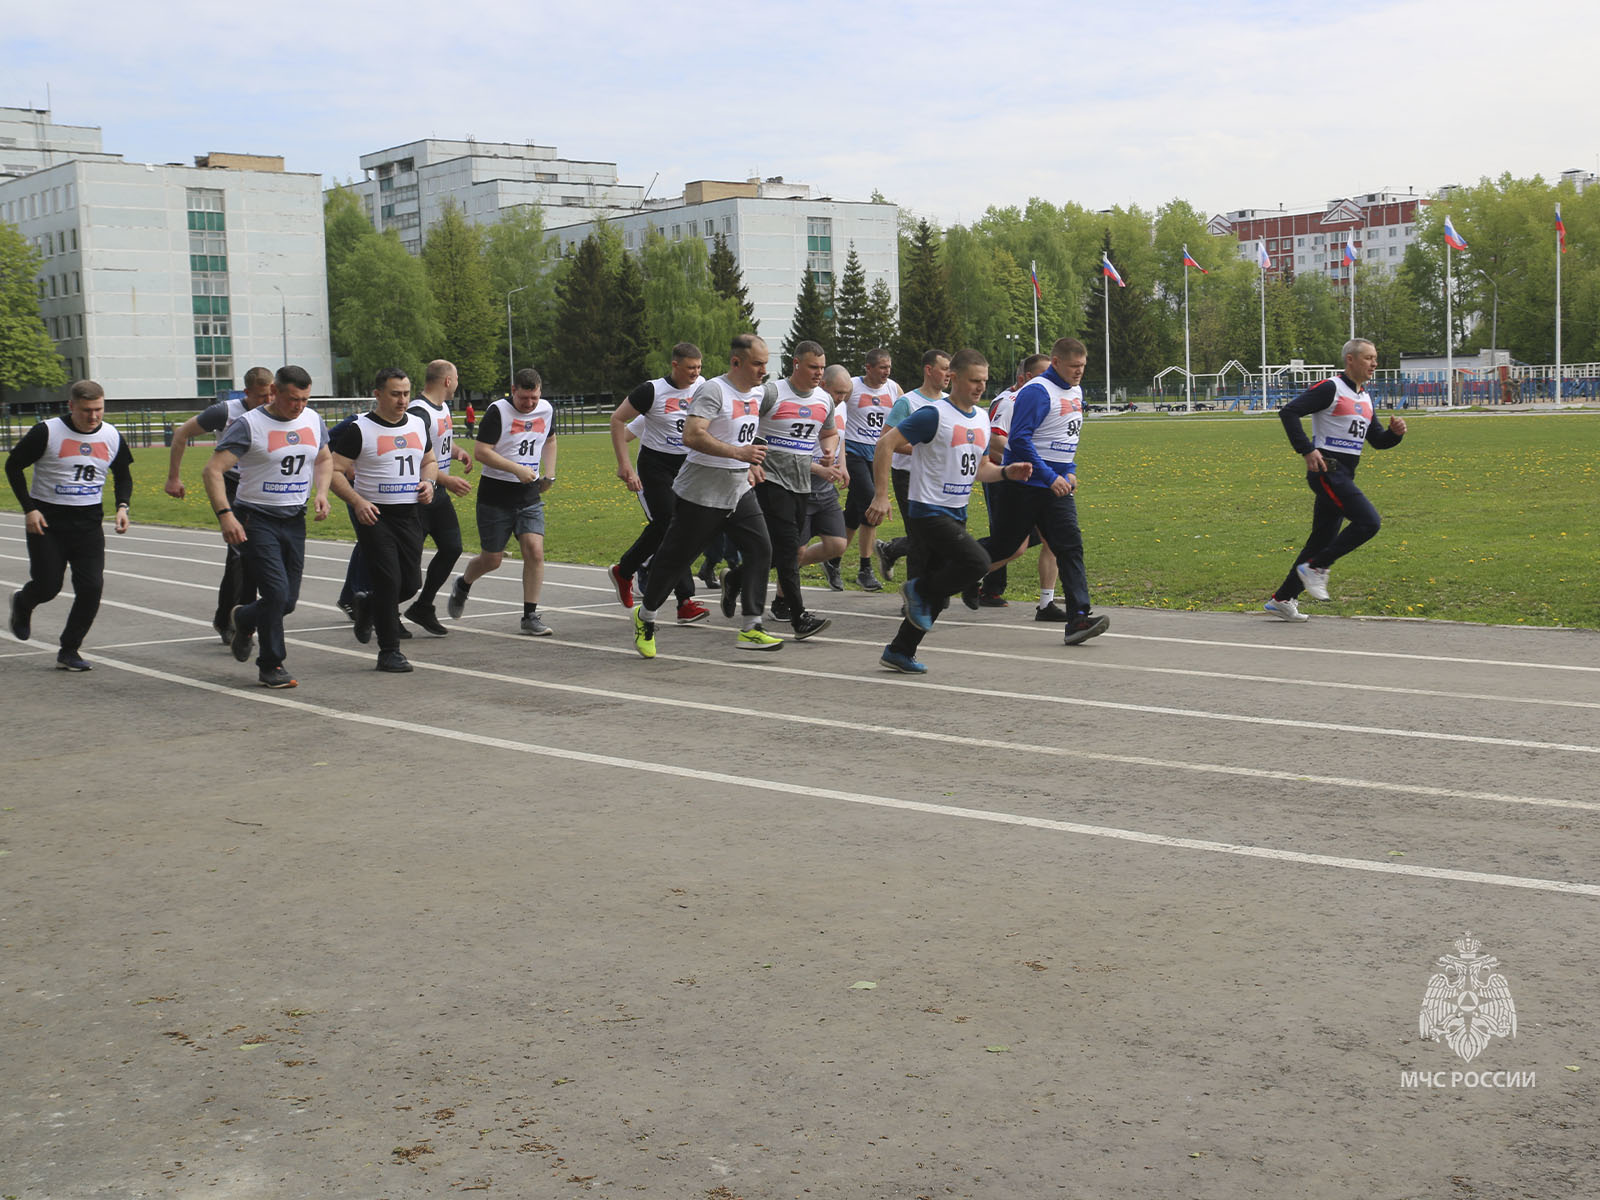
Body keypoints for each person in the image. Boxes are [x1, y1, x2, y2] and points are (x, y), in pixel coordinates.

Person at [865, 349, 1031, 674]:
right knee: (978, 563)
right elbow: (885, 444)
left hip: (956, 511)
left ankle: (900, 649)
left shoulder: (982, 418)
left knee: (938, 597)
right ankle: (917, 590)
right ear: (953, 377)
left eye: (984, 381)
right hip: (927, 511)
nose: (980, 387)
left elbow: (981, 469)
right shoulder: (933, 415)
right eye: (973, 380)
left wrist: (1007, 472)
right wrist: (881, 496)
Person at [629, 333, 782, 658]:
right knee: (675, 560)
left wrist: (749, 461)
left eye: (765, 364)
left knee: (761, 548)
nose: (762, 370)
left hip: (738, 488)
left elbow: (743, 429)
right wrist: (738, 453)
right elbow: (692, 435)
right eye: (757, 363)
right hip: (701, 491)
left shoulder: (757, 392)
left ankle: (752, 625)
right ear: (736, 362)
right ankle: (646, 616)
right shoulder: (713, 389)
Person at [203, 365, 332, 688]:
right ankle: (272, 665)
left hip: (294, 519)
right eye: (292, 399)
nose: (298, 406)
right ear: (274, 392)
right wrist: (225, 514)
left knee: (286, 601)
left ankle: (244, 618)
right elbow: (213, 470)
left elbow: (325, 458)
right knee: (275, 593)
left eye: (304, 399)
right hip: (255, 518)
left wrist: (322, 492)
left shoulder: (313, 420)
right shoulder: (249, 424)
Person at [976, 336, 1110, 646]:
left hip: (1055, 488)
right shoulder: (1036, 392)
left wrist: (1070, 471)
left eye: (1083, 366)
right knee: (1005, 546)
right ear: (1057, 363)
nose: (1079, 372)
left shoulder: (1076, 391)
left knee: (1070, 545)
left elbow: (1066, 440)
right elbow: (1019, 441)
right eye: (1074, 366)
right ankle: (932, 576)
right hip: (1024, 485)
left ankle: (1078, 618)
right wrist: (1050, 476)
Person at [1264, 337, 1406, 621]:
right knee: (1369, 522)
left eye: (1375, 358)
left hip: (1344, 474)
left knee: (1321, 540)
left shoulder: (1364, 397)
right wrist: (1306, 450)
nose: (1374, 364)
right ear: (1350, 360)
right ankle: (1316, 568)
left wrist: (1395, 435)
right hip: (1327, 471)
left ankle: (1283, 598)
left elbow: (1376, 440)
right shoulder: (1331, 388)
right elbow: (1289, 411)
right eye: (1368, 358)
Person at [6, 380, 134, 671]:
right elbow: (13, 466)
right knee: (48, 586)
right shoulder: (47, 431)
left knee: (91, 588)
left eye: (99, 410)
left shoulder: (112, 435)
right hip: (48, 522)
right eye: (86, 410)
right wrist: (30, 509)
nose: (93, 417)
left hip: (88, 523)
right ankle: (24, 602)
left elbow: (123, 474)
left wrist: (122, 506)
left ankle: (69, 649)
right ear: (71, 406)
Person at [328, 368, 438, 672]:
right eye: (395, 394)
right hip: (375, 514)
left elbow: (429, 462)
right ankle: (389, 652)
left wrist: (429, 483)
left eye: (405, 393)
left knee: (411, 583)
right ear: (377, 394)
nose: (402, 400)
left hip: (409, 514)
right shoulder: (359, 429)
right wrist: (357, 501)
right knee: (389, 581)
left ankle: (367, 605)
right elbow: (334, 471)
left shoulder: (417, 424)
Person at [447, 367, 559, 636]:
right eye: (524, 399)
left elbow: (551, 440)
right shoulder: (498, 412)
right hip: (496, 495)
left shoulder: (545, 409)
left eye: (534, 398)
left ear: (540, 392)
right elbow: (482, 452)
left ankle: (530, 615)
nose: (529, 404)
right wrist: (515, 469)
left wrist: (550, 474)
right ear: (513, 390)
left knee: (534, 550)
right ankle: (463, 584)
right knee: (492, 559)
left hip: (529, 494)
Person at [164, 365, 271, 641]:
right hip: (230, 484)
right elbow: (181, 434)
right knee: (238, 551)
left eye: (271, 395)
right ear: (246, 392)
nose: (267, 401)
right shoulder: (225, 412)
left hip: (260, 486)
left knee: (254, 555)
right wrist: (173, 478)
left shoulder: (277, 410)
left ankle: (240, 615)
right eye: (261, 396)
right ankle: (228, 621)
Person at [605, 343, 710, 624]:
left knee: (682, 529)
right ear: (675, 365)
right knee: (673, 526)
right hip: (656, 467)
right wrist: (624, 465)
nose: (695, 373)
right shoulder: (651, 391)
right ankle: (685, 601)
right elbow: (617, 420)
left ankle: (624, 570)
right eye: (690, 368)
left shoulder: (703, 387)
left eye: (699, 368)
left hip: (688, 467)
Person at [753, 341, 835, 639]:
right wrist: (750, 460)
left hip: (803, 482)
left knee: (781, 549)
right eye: (813, 367)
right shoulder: (771, 393)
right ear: (796, 364)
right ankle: (799, 617)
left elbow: (830, 432)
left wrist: (828, 451)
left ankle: (737, 577)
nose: (818, 373)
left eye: (822, 368)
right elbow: (744, 426)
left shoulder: (825, 400)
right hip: (770, 480)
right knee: (790, 549)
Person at [976, 353, 1064, 617]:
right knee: (1014, 546)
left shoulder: (1048, 397)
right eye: (1044, 375)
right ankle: (954, 571)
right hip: (1005, 480)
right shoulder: (1009, 401)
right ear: (1024, 377)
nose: (1050, 380)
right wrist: (1025, 465)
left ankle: (1046, 603)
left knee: (1053, 539)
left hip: (1038, 478)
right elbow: (994, 440)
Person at [404, 359, 473, 636]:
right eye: (456, 378)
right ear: (447, 380)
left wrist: (457, 451)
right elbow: (419, 457)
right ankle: (375, 607)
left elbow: (438, 440)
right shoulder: (418, 413)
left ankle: (423, 606)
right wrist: (448, 479)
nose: (457, 383)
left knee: (452, 547)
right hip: (418, 495)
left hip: (438, 494)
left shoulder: (442, 407)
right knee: (407, 565)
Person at [874, 348, 949, 582]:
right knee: (919, 536)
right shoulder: (907, 402)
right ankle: (915, 596)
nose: (950, 374)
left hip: (938, 478)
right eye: (945, 369)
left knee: (937, 534)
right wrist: (921, 448)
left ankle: (891, 550)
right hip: (908, 476)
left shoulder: (949, 402)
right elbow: (885, 440)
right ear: (929, 370)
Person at [838, 348, 901, 590]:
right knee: (870, 503)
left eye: (889, 368)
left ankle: (832, 559)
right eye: (882, 367)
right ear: (868, 368)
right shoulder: (853, 387)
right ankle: (866, 567)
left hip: (878, 455)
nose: (886, 372)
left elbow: (906, 413)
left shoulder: (894, 389)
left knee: (854, 513)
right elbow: (832, 408)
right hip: (853, 451)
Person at [797, 364, 853, 590]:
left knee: (837, 544)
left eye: (845, 393)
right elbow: (793, 453)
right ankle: (782, 600)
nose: (841, 398)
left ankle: (790, 567)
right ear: (822, 385)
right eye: (838, 392)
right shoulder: (809, 406)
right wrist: (819, 468)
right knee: (797, 549)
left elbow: (841, 437)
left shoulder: (841, 407)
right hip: (801, 484)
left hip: (825, 486)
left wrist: (843, 465)